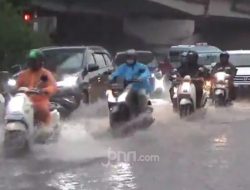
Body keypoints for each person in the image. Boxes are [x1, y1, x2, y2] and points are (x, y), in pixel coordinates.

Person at [17, 49, 57, 127]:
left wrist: (44, 90)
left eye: (34, 61)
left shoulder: (45, 74)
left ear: (40, 61)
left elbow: (53, 86)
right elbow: (17, 86)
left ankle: (46, 128)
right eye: (30, 60)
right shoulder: (23, 74)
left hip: (40, 101)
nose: (31, 63)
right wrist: (12, 89)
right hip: (24, 101)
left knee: (42, 110)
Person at [110, 49, 151, 114]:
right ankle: (131, 113)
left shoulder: (141, 66)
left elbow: (146, 73)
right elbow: (116, 73)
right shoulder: (123, 67)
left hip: (141, 87)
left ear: (135, 58)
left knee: (141, 96)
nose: (130, 59)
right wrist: (110, 78)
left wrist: (140, 78)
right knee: (126, 98)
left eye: (131, 57)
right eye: (128, 57)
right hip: (129, 88)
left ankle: (143, 112)